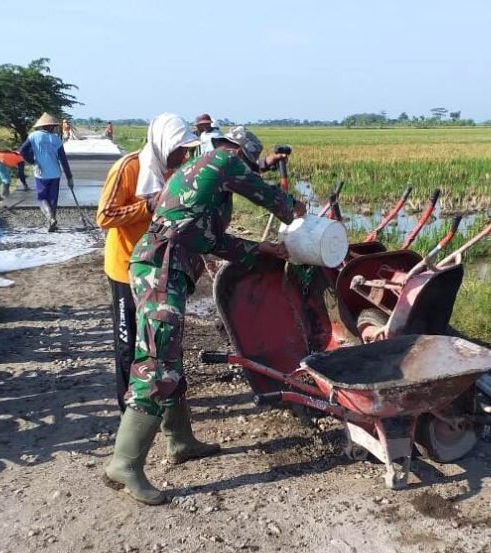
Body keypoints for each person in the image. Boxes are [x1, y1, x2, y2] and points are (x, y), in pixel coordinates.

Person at [104, 126, 306, 506]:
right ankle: (125, 463)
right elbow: (268, 197)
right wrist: (293, 209)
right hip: (160, 269)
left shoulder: (199, 174)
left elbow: (207, 239)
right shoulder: (224, 160)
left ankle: (180, 440)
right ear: (237, 152)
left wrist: (258, 248)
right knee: (155, 364)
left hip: (166, 266)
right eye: (247, 163)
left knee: (169, 355)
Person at [96, 113, 199, 414]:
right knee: (128, 340)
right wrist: (147, 206)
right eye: (179, 149)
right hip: (125, 269)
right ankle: (127, 406)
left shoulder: (175, 172)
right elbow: (105, 216)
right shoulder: (129, 168)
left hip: (159, 268)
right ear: (163, 144)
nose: (183, 156)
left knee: (160, 338)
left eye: (187, 150)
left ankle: (161, 404)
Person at [20, 113, 74, 232]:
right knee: (53, 198)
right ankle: (52, 221)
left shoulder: (33, 136)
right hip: (55, 172)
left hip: (41, 172)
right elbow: (63, 160)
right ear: (51, 126)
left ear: (42, 126)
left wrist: (33, 161)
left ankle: (50, 217)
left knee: (42, 197)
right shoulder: (56, 139)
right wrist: (69, 177)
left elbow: (22, 152)